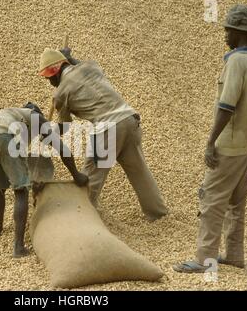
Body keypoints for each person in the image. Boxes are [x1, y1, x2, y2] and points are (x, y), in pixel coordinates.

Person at [173, 4, 247, 273]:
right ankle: (235, 254)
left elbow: (227, 105)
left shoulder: (236, 61)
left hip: (229, 144)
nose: (224, 35)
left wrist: (211, 141)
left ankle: (205, 260)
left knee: (211, 200)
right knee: (237, 202)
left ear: (239, 31)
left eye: (227, 30)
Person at [38, 47, 168, 222]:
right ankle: (158, 213)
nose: (50, 83)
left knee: (91, 175)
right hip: (130, 120)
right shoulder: (90, 66)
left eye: (49, 78)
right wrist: (69, 58)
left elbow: (66, 127)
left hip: (108, 130)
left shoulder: (61, 93)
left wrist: (49, 134)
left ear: (54, 73)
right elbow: (79, 65)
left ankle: (81, 218)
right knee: (139, 170)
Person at [0, 102, 88, 257]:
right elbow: (62, 149)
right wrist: (76, 174)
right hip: (3, 135)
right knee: (21, 190)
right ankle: (18, 247)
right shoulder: (35, 117)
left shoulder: (11, 115)